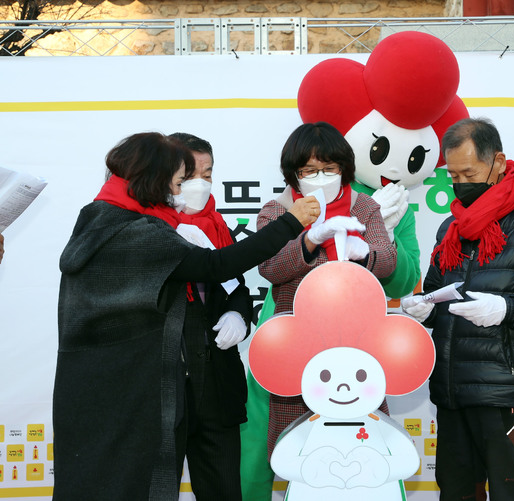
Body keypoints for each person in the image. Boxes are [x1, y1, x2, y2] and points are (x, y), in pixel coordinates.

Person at [53, 132, 319, 501]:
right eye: (179, 181)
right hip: (134, 388)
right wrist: (290, 223)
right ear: (154, 178)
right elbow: (215, 265)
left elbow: (228, 279)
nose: (182, 190)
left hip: (113, 384)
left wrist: (238, 315)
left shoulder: (101, 218)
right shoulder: (139, 231)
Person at [401, 117, 514, 501]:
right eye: (452, 174)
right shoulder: (452, 226)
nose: (460, 182)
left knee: (510, 495)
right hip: (452, 393)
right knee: (456, 493)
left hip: (507, 394)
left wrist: (507, 308)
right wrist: (423, 309)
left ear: (498, 162)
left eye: (469, 172)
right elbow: (439, 296)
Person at [256, 121, 397, 466]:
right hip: (297, 345)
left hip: (357, 343)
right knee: (298, 451)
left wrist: (364, 254)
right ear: (294, 175)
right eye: (310, 170)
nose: (320, 177)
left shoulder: (363, 207)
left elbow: (388, 260)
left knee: (362, 442)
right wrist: (310, 240)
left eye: (329, 169)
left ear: (344, 169)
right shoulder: (276, 212)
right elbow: (270, 267)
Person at [168, 132, 249, 499]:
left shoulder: (218, 228)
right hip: (165, 392)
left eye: (208, 174)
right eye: (188, 177)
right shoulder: (146, 231)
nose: (199, 185)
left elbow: (239, 289)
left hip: (217, 386)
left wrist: (238, 317)